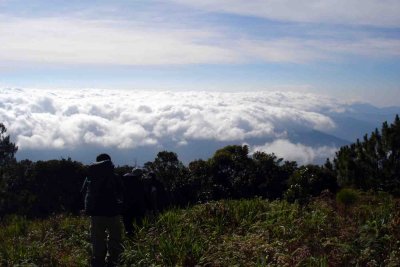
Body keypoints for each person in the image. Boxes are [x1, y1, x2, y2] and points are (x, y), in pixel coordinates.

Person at [81, 153, 123, 267]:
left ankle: (98, 260)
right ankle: (113, 260)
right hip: (113, 212)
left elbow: (83, 192)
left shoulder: (90, 178)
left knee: (97, 238)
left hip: (96, 212)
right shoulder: (114, 176)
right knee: (114, 237)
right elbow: (121, 193)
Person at [122, 167, 146, 236]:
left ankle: (129, 241)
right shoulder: (139, 182)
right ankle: (140, 240)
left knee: (128, 227)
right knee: (139, 226)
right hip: (137, 208)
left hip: (126, 208)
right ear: (140, 175)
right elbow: (141, 196)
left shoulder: (124, 180)